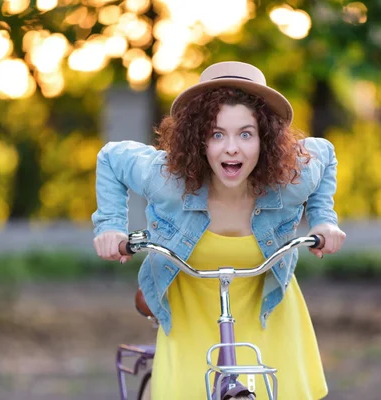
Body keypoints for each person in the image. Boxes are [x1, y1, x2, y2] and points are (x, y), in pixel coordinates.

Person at [92, 61, 346, 399]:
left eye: (246, 133)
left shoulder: (291, 179)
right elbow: (111, 157)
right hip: (190, 314)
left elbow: (325, 154)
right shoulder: (166, 179)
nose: (231, 148)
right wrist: (110, 227)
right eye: (216, 134)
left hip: (264, 309)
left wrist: (324, 220)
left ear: (265, 138)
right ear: (197, 139)